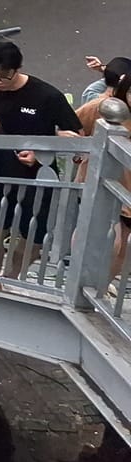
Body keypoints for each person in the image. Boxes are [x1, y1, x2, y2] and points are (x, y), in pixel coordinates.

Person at [0, 39, 83, 278]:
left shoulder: (47, 96)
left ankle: (10, 278)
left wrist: (43, 151)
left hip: (36, 173)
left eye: (3, 77)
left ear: (16, 69)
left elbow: (76, 136)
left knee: (35, 237)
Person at [77, 59, 131, 291]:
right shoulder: (101, 106)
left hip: (127, 192)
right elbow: (70, 126)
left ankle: (100, 288)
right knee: (113, 241)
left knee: (122, 247)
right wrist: (79, 148)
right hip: (100, 182)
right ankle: (82, 283)